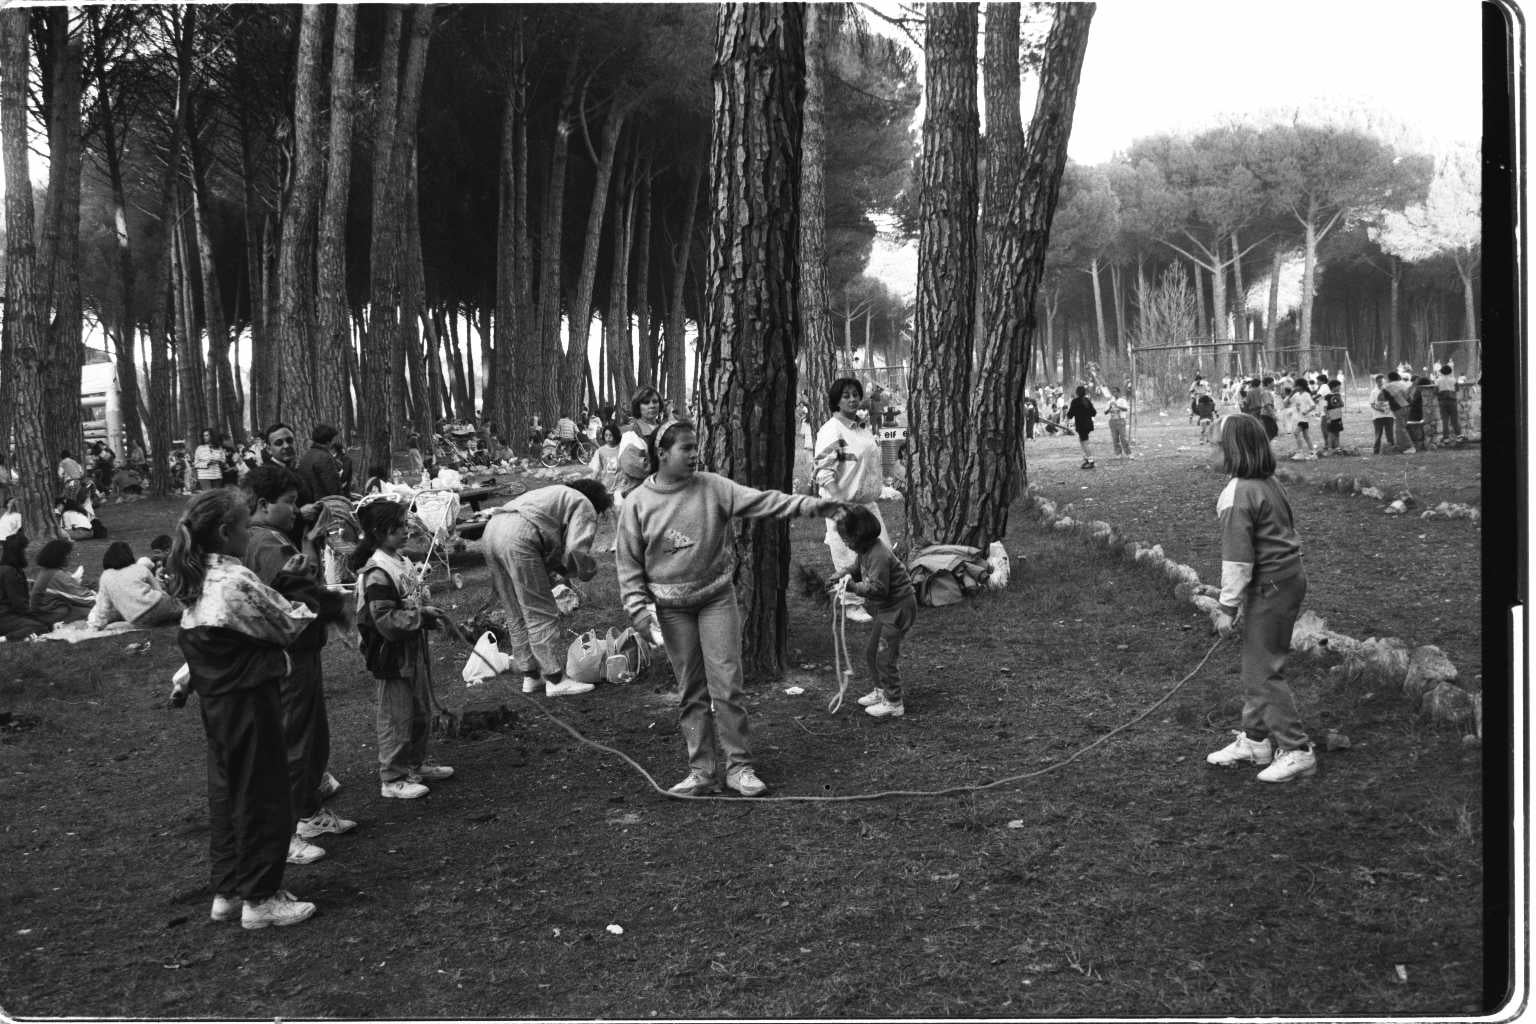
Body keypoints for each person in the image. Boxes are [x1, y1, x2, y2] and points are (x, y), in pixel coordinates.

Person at [616, 421, 841, 797]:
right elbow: (628, 568)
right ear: (663, 454)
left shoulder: (712, 487)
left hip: (716, 599)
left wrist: (814, 505)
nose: (693, 455)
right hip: (671, 611)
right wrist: (642, 615)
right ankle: (701, 770)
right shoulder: (638, 504)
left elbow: (765, 501)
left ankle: (740, 767)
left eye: (695, 448)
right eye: (685, 448)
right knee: (691, 691)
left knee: (727, 685)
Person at [167, 487, 320, 929]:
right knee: (263, 794)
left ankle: (229, 889)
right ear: (224, 531)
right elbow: (288, 622)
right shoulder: (234, 581)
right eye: (244, 524)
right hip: (249, 701)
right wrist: (301, 591)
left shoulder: (195, 579)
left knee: (227, 793)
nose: (249, 531)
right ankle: (261, 899)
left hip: (218, 706)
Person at [240, 464, 353, 865]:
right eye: (288, 503)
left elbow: (303, 578)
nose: (295, 509)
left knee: (311, 732)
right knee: (294, 739)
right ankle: (283, 832)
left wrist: (308, 541)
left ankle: (309, 811)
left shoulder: (270, 538)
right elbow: (298, 591)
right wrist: (339, 608)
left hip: (302, 648)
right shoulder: (265, 543)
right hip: (289, 651)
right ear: (265, 504)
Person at [1205, 414, 1317, 784]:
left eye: (1214, 444)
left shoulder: (1236, 494)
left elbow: (1237, 559)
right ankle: (1255, 740)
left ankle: (1297, 749)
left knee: (1261, 672)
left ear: (1234, 450)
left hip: (1271, 585)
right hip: (1286, 579)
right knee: (1259, 661)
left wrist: (1226, 608)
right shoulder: (1268, 483)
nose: (1209, 449)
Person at [349, 497, 454, 800]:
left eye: (406, 524)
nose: (407, 531)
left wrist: (424, 610)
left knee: (420, 709)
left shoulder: (401, 561)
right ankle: (392, 778)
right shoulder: (377, 572)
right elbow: (384, 619)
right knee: (396, 715)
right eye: (399, 527)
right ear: (380, 532)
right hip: (389, 655)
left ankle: (415, 765)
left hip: (411, 649)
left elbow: (409, 598)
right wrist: (420, 617)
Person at [481, 478, 611, 697]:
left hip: (492, 531)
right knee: (539, 609)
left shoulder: (555, 493)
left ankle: (531, 676)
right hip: (518, 536)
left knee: (514, 610)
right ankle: (555, 679)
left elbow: (553, 545)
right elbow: (576, 551)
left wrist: (557, 569)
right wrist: (588, 570)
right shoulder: (583, 503)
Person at [832, 505, 918, 720]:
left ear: (860, 535)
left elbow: (879, 589)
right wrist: (842, 574)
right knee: (872, 652)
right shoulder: (865, 551)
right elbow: (856, 569)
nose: (845, 543)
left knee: (885, 656)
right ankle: (881, 691)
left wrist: (853, 588)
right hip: (887, 608)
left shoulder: (878, 555)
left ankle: (894, 703)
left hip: (899, 608)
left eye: (847, 538)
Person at [813, 378, 890, 611]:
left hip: (867, 503)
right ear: (836, 401)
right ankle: (851, 604)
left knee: (881, 551)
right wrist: (840, 504)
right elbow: (823, 471)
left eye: (855, 394)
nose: (852, 399)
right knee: (848, 555)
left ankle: (879, 595)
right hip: (843, 505)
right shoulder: (831, 430)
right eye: (846, 395)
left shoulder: (861, 427)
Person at [87, 541, 183, 629]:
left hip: (137, 618)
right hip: (159, 605)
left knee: (152, 622)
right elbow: (159, 591)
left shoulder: (105, 577)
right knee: (183, 609)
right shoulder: (139, 569)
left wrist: (98, 624)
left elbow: (102, 605)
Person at [28, 538, 96, 626]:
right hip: (49, 615)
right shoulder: (55, 575)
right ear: (59, 556)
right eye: (68, 554)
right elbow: (83, 598)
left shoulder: (48, 571)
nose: (70, 557)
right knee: (96, 612)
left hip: (48, 611)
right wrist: (102, 597)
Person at [617, 387, 665, 496]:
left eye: (655, 401)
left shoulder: (666, 429)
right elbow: (632, 465)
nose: (652, 406)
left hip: (663, 493)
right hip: (639, 494)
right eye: (646, 403)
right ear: (638, 407)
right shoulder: (630, 433)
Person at [0, 533, 48, 640]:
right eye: (26, 548)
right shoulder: (10, 572)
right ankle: (6, 638)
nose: (29, 552)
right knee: (40, 626)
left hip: (7, 614)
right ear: (19, 551)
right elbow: (19, 605)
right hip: (4, 617)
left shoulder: (7, 569)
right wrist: (40, 615)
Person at [588, 423, 625, 552]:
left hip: (621, 486)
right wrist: (591, 483)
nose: (608, 437)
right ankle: (616, 539)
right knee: (612, 516)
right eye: (606, 435)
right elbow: (596, 470)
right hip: (606, 486)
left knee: (619, 511)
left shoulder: (622, 449)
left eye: (611, 435)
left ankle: (622, 540)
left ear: (616, 435)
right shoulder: (600, 451)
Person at [296, 425, 344, 502]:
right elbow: (333, 487)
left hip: (309, 502)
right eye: (334, 439)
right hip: (323, 505)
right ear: (328, 441)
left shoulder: (308, 455)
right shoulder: (324, 458)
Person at [1066, 385, 1097, 469]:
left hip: (1081, 425)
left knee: (1085, 442)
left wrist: (1068, 419)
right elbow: (1094, 412)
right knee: (1082, 441)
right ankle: (1087, 458)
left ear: (1077, 393)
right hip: (1088, 424)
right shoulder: (1087, 400)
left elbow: (1070, 414)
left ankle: (1091, 461)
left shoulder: (1075, 401)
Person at [1369, 374, 1396, 454]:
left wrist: (1390, 408)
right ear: (1376, 382)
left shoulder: (1389, 390)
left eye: (1382, 381)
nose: (1380, 383)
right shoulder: (1373, 392)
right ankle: (1376, 451)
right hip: (1378, 417)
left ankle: (1392, 450)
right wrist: (1380, 409)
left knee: (1390, 434)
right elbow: (1372, 404)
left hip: (1389, 416)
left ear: (1384, 381)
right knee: (1378, 434)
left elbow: (1393, 401)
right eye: (1378, 381)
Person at [1435, 364, 1462, 442]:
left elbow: (1436, 391)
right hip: (1452, 400)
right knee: (1454, 419)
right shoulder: (1453, 379)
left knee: (1445, 420)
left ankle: (1446, 437)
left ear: (1442, 372)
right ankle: (1459, 436)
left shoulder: (1438, 380)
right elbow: (1457, 389)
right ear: (1450, 372)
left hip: (1443, 401)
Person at [1105, 385, 1134, 460]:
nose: (1114, 393)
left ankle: (1129, 453)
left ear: (1118, 392)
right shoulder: (1110, 401)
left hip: (1120, 420)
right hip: (1112, 421)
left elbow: (1126, 409)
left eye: (1115, 392)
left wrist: (1117, 406)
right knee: (1115, 438)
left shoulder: (1122, 400)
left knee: (1123, 438)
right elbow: (1105, 412)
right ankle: (1118, 453)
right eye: (1113, 392)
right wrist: (1110, 408)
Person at [1321, 378, 1345, 451]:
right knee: (1331, 432)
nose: (1340, 388)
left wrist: (1340, 398)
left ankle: (1337, 447)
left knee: (1337, 431)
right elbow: (1324, 407)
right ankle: (1330, 447)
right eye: (1338, 386)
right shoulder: (1327, 396)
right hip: (1331, 417)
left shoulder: (1338, 395)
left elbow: (1342, 405)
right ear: (1334, 387)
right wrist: (1327, 416)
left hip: (1338, 416)